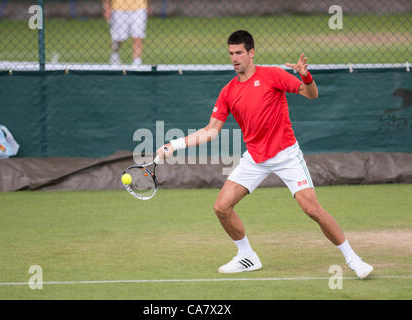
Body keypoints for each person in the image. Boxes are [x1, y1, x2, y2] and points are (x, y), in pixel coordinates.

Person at [156, 30, 374, 279]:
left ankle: (353, 259)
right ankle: (247, 256)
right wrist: (174, 145)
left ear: (251, 53)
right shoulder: (228, 91)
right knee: (221, 207)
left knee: (312, 210)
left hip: (286, 154)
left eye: (239, 53)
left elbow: (311, 94)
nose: (234, 58)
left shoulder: (272, 75)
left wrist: (305, 75)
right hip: (255, 158)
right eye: (231, 54)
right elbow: (210, 131)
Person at [102, 0, 149, 65]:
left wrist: (147, 6)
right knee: (118, 38)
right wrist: (106, 7)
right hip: (118, 9)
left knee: (138, 36)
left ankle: (137, 63)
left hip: (139, 8)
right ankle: (115, 55)